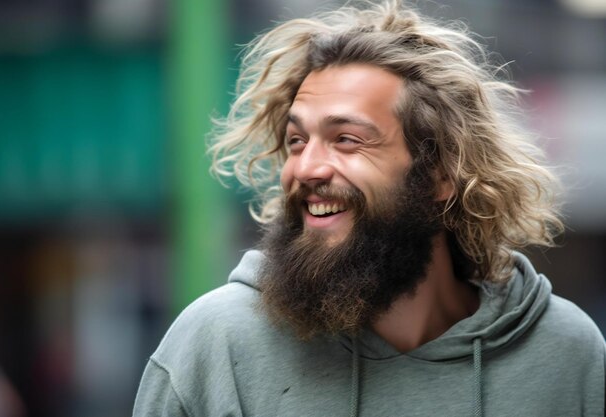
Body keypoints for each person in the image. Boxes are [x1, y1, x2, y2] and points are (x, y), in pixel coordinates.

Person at [133, 1, 606, 416]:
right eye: (297, 141)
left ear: (441, 173)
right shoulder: (215, 345)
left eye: (347, 140)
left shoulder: (567, 355)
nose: (307, 168)